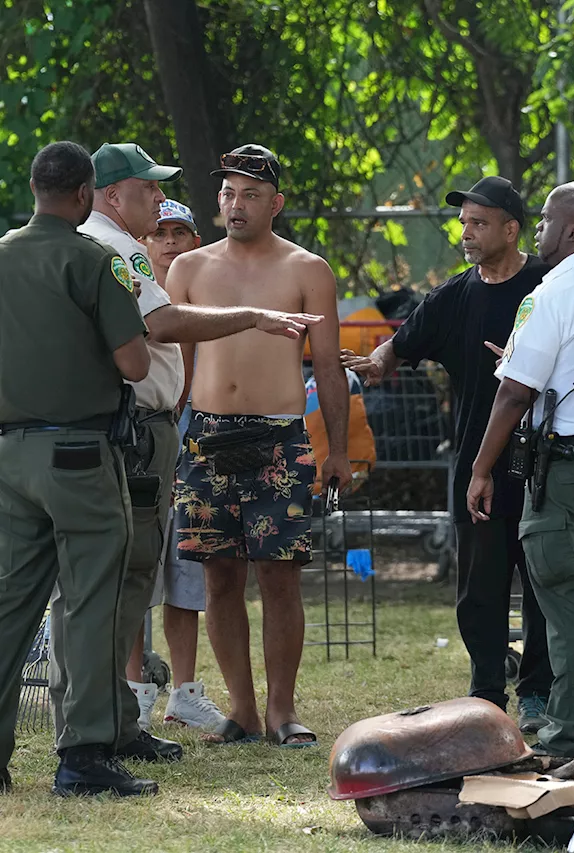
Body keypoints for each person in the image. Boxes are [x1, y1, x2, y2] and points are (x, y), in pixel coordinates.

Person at [340, 176, 553, 733]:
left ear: (512, 228)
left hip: (544, 461)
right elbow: (401, 343)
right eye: (464, 222)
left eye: (479, 223)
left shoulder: (548, 285)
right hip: (475, 468)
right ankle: (487, 691)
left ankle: (535, 693)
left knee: (539, 584)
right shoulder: (453, 296)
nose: (467, 232)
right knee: (478, 590)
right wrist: (377, 361)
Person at [168, 144, 351, 747]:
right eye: (227, 192)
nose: (235, 203)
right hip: (208, 438)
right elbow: (178, 369)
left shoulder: (308, 270)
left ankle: (282, 711)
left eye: (249, 194)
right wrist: (175, 440)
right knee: (219, 577)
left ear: (275, 202)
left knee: (280, 577)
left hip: (280, 439)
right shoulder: (189, 268)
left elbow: (326, 366)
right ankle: (241, 711)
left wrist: (339, 450)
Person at [0, 141, 156, 796]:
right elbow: (136, 364)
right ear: (86, 194)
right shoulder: (92, 259)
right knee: (91, 602)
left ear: (36, 187)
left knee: (9, 603)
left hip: (10, 457)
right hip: (78, 456)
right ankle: (85, 756)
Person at [466, 181, 574, 758]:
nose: (538, 229)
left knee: (569, 603)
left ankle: (567, 738)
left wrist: (481, 469)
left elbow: (514, 394)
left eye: (543, 220)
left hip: (569, 465)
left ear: (572, 231)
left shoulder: (552, 292)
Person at [135, 199, 226, 730]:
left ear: (196, 242)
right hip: (144, 446)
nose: (169, 241)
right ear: (145, 242)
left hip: (200, 450)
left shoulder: (211, 302)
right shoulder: (131, 295)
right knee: (137, 573)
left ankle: (185, 692)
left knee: (188, 572)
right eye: (160, 231)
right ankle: (137, 689)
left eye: (180, 232)